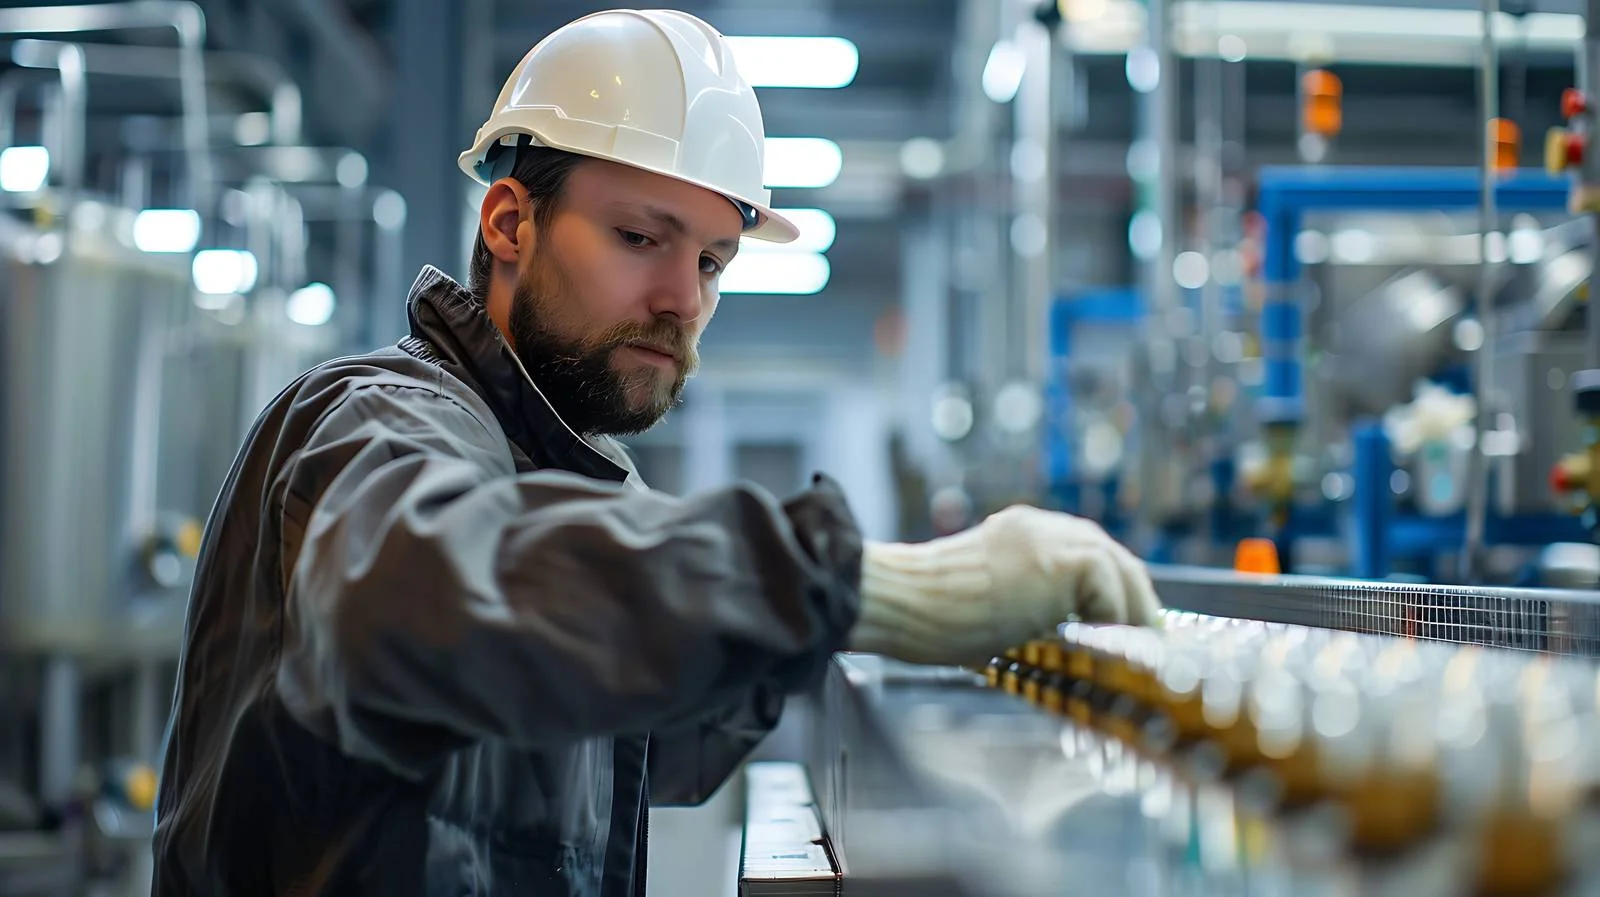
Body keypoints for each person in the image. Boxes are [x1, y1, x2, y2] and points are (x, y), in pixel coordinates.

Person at [151, 9, 1161, 896]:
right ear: (509, 224)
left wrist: (883, 634)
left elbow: (648, 746)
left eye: (712, 260)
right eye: (641, 237)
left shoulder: (561, 475)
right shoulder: (375, 421)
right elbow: (434, 593)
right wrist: (858, 586)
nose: (684, 298)